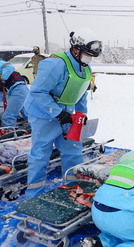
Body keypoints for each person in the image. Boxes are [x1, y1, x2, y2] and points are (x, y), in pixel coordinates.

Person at [24, 29, 102, 199]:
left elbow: (81, 94)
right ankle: (33, 195)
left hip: (67, 115)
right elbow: (37, 92)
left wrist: (81, 115)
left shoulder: (85, 68)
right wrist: (58, 113)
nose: (89, 58)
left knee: (73, 151)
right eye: (87, 54)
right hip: (43, 115)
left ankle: (73, 188)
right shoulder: (55, 65)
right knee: (40, 156)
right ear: (76, 49)